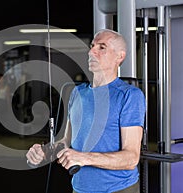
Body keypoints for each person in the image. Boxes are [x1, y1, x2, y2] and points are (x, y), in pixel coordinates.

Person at [26, 29, 146, 193]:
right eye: (92, 46)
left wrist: (84, 158)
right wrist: (45, 152)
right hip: (80, 188)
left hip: (117, 189)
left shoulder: (129, 96)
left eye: (101, 47)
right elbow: (66, 142)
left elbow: (131, 158)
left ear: (120, 56)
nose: (91, 51)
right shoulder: (77, 93)